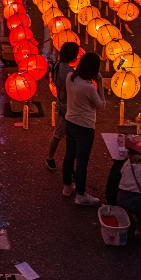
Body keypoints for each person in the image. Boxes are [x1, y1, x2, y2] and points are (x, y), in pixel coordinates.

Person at [61, 51, 105, 205]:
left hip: (70, 123)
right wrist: (100, 84)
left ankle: (67, 186)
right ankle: (81, 194)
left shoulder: (70, 78)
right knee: (82, 161)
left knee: (69, 155)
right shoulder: (89, 87)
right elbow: (101, 105)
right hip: (85, 128)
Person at [46, 42, 79, 170]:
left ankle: (51, 157)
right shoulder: (70, 73)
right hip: (68, 107)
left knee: (59, 134)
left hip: (61, 102)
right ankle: (51, 157)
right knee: (60, 133)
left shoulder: (58, 65)